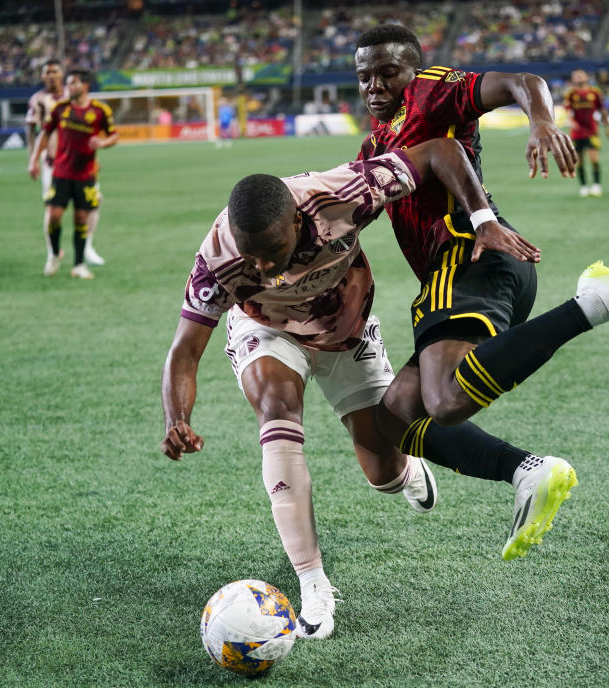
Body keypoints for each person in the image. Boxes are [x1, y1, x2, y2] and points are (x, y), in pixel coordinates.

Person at [160, 138, 543, 640]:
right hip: (268, 332)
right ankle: (312, 583)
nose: (261, 270)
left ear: (297, 222)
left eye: (271, 253)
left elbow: (440, 152)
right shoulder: (219, 260)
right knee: (276, 406)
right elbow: (185, 350)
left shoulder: (341, 193)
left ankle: (405, 474)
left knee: (382, 471)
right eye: (250, 258)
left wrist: (482, 219)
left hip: (346, 330)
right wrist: (177, 419)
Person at [353, 26, 609, 564]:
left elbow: (523, 80)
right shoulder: (374, 145)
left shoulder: (433, 91)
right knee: (394, 414)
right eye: (364, 76)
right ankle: (527, 473)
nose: (374, 85)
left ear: (412, 71)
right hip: (472, 274)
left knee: (442, 401)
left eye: (387, 72)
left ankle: (595, 304)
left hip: (471, 254)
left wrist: (540, 120)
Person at [28, 70, 118, 279]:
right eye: (68, 83)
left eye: (74, 83)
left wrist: (103, 143)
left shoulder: (100, 110)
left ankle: (78, 264)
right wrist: (34, 159)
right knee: (54, 216)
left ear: (85, 85)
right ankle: (53, 254)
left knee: (81, 217)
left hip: (85, 174)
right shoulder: (61, 109)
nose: (69, 87)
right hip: (61, 172)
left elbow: (114, 135)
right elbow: (45, 133)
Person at [564, 68, 609, 198]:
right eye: (575, 76)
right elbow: (568, 112)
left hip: (591, 131)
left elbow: (602, 110)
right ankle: (584, 187)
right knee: (579, 161)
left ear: (586, 77)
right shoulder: (571, 94)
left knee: (594, 159)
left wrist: (607, 128)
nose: (577, 77)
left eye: (580, 75)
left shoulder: (595, 92)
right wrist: (571, 121)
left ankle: (596, 185)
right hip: (576, 134)